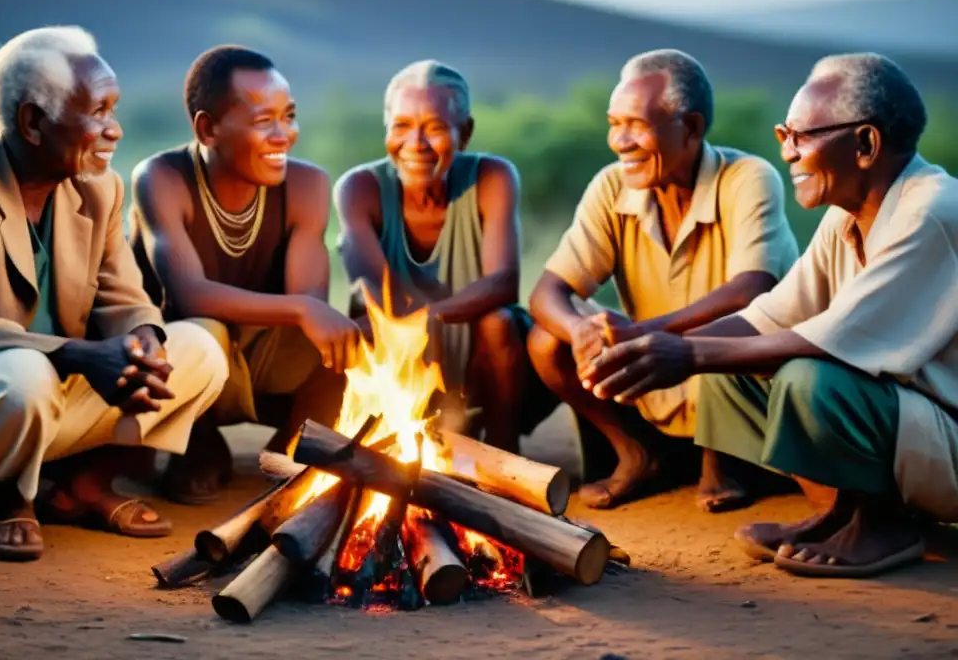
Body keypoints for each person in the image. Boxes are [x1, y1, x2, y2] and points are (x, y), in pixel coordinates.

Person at [580, 52, 957, 578]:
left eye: (801, 136)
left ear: (866, 144)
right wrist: (654, 353)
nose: (787, 152)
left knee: (812, 379)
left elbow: (828, 341)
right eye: (784, 133)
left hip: (948, 433)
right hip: (912, 427)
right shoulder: (846, 216)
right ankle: (839, 513)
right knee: (728, 372)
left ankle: (885, 524)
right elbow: (772, 315)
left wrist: (685, 351)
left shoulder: (931, 211)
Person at [0, 27, 229, 562]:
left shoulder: (100, 186)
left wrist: (142, 344)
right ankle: (3, 499)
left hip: (66, 386)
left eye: (114, 108)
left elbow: (125, 296)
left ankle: (84, 485)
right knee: (23, 377)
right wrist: (88, 355)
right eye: (98, 110)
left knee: (202, 348)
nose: (113, 130)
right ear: (32, 122)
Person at [528, 49, 798, 510]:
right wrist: (581, 331)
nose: (619, 140)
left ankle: (726, 455)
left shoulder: (748, 178)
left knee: (725, 326)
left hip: (740, 377)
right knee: (545, 341)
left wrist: (646, 334)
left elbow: (751, 291)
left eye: (635, 124)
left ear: (690, 128)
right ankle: (639, 453)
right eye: (614, 123)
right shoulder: (613, 186)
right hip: (654, 377)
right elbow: (546, 293)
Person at [129, 45, 360, 504]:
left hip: (261, 352)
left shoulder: (307, 185)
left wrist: (308, 310)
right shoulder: (162, 178)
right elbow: (189, 295)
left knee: (353, 337)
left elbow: (309, 305)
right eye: (263, 121)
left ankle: (294, 446)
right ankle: (196, 443)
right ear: (207, 128)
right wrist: (301, 308)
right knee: (202, 330)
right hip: (181, 354)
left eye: (289, 116)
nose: (284, 135)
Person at [334, 60, 531, 453]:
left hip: (483, 359)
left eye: (435, 128)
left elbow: (504, 283)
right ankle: (392, 438)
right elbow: (376, 292)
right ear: (387, 129)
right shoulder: (359, 188)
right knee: (360, 322)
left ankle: (503, 449)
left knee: (500, 322)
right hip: (404, 348)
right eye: (402, 126)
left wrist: (430, 318)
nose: (416, 144)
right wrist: (415, 326)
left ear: (466, 133)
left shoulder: (493, 177)